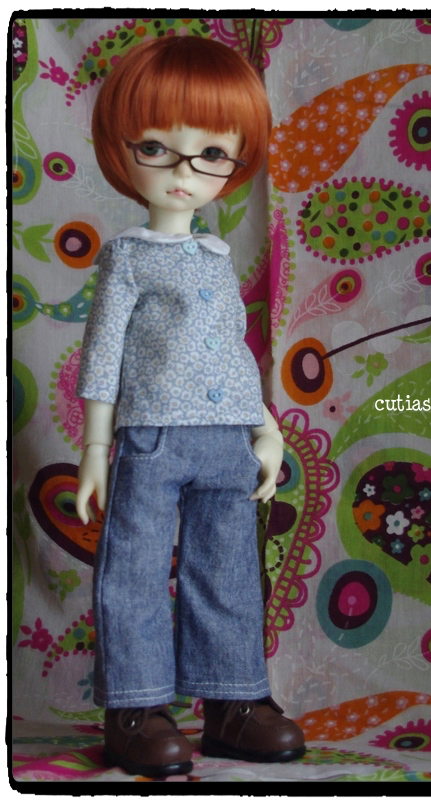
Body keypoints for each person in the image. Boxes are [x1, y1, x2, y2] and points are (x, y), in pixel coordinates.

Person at [75, 35, 305, 778]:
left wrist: (264, 428)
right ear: (122, 149)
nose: (183, 172)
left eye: (211, 154)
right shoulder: (128, 257)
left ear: (236, 160)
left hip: (226, 442)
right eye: (157, 148)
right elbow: (103, 352)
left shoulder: (214, 257)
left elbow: (231, 352)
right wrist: (94, 449)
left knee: (227, 570)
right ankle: (136, 709)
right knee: (136, 570)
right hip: (152, 438)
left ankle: (234, 704)